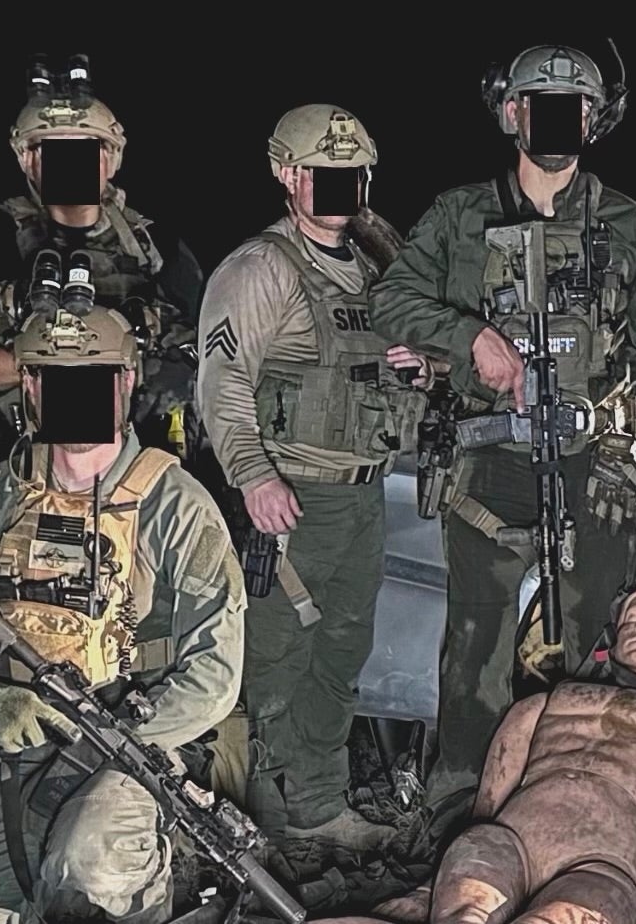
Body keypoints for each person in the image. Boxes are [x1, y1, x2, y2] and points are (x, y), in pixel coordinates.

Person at [371, 43, 636, 822]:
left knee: (595, 634)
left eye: (575, 108)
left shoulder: (628, 225)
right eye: (543, 105)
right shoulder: (459, 215)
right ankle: (462, 802)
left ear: (594, 121)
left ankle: (591, 797)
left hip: (592, 458)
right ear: (512, 113)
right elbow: (390, 301)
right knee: (476, 638)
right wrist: (467, 336)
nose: (559, 121)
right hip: (489, 455)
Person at [0, 301, 245, 924]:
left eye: (94, 379)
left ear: (126, 382)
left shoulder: (178, 507)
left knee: (89, 868)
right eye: (56, 378)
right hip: (15, 752)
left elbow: (215, 676)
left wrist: (120, 739)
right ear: (30, 386)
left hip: (129, 756)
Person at [195, 103, 431, 853]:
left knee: (340, 654)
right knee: (274, 657)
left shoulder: (374, 270)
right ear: (287, 174)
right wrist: (253, 475)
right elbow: (222, 382)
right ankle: (258, 818)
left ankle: (319, 807)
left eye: (350, 173)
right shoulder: (261, 269)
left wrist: (418, 368)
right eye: (321, 172)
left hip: (362, 494)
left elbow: (392, 372)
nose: (337, 185)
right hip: (293, 496)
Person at [316, 586, 636, 924]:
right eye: (632, 618)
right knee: (467, 912)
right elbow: (486, 805)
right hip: (512, 836)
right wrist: (433, 886)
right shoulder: (551, 699)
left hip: (603, 860)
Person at [0, 54, 207, 489]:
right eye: (53, 151)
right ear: (29, 162)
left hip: (135, 462)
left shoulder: (155, 246)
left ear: (109, 160)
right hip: (18, 458)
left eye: (84, 150)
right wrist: (47, 369)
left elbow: (207, 353)